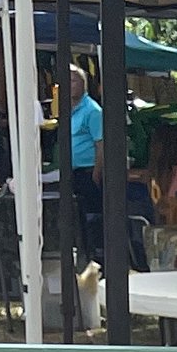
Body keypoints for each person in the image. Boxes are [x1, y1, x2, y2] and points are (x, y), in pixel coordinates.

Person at [65, 72, 104, 236]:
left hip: (88, 172)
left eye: (73, 80)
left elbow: (100, 144)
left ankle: (98, 253)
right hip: (72, 172)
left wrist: (96, 173)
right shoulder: (68, 110)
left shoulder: (92, 110)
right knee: (78, 216)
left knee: (92, 216)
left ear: (83, 84)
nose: (69, 84)